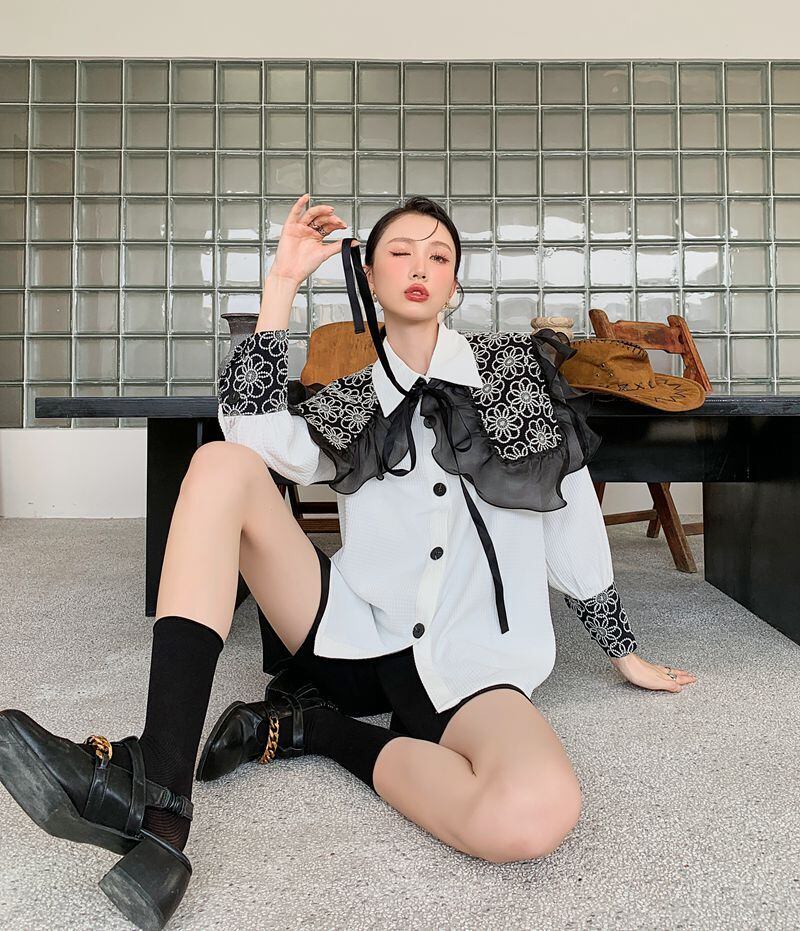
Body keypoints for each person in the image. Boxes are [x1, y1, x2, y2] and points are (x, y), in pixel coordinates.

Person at [0, 193, 697, 930]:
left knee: (532, 814)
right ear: (369, 274)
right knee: (221, 464)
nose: (420, 267)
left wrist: (622, 649)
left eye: (439, 256)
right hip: (351, 633)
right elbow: (251, 433)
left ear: (454, 284)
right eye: (400, 252)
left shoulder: (513, 377)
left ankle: (317, 731)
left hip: (474, 660)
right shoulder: (353, 400)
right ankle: (160, 787)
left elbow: (569, 510)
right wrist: (282, 282)